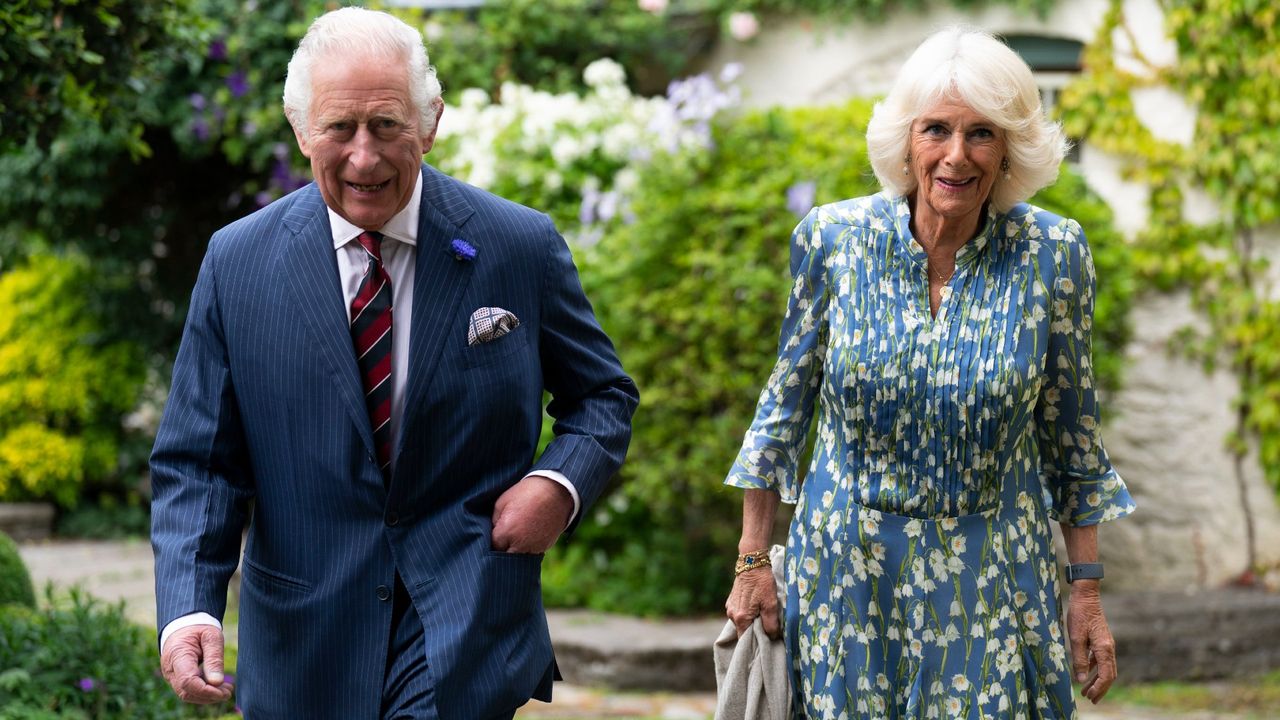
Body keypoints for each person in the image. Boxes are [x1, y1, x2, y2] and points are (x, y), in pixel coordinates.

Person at [149, 8, 638, 719]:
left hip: (462, 614)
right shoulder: (238, 263)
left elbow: (602, 396)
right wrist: (190, 609)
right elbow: (199, 462)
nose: (364, 157)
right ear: (300, 129)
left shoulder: (517, 245)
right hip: (302, 637)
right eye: (339, 128)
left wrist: (557, 485)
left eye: (386, 126)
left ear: (430, 121)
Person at [723, 26, 1136, 719]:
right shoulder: (834, 240)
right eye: (936, 129)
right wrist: (751, 558)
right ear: (905, 140)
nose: (955, 155)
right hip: (846, 580)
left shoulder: (1053, 253)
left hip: (994, 582)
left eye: (981, 133)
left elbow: (1073, 441)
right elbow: (784, 409)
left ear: (1009, 149)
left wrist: (1086, 591)